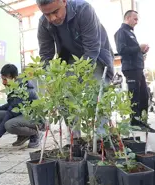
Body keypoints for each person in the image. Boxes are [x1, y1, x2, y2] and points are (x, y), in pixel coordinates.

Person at [36, 0, 115, 142]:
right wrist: (52, 82)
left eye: (55, 12)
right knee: (65, 95)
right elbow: (45, 57)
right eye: (47, 14)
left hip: (95, 56)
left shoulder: (83, 9)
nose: (53, 18)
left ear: (64, 1)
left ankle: (101, 139)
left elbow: (92, 49)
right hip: (69, 59)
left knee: (98, 94)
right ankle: (75, 139)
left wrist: (78, 78)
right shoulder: (43, 23)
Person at [114, 10, 155, 133]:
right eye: (135, 19)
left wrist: (142, 51)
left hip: (138, 68)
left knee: (144, 95)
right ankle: (134, 121)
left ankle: (142, 120)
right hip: (131, 69)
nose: (137, 22)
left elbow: (132, 50)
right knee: (135, 96)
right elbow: (122, 50)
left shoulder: (130, 32)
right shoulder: (121, 32)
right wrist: (139, 47)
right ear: (127, 18)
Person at [0, 64, 43, 151]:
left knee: (9, 125)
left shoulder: (24, 88)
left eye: (5, 79)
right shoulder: (15, 85)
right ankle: (24, 134)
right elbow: (11, 104)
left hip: (34, 117)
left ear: (14, 77)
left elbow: (11, 112)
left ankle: (35, 133)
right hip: (22, 114)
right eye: (2, 79)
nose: (3, 82)